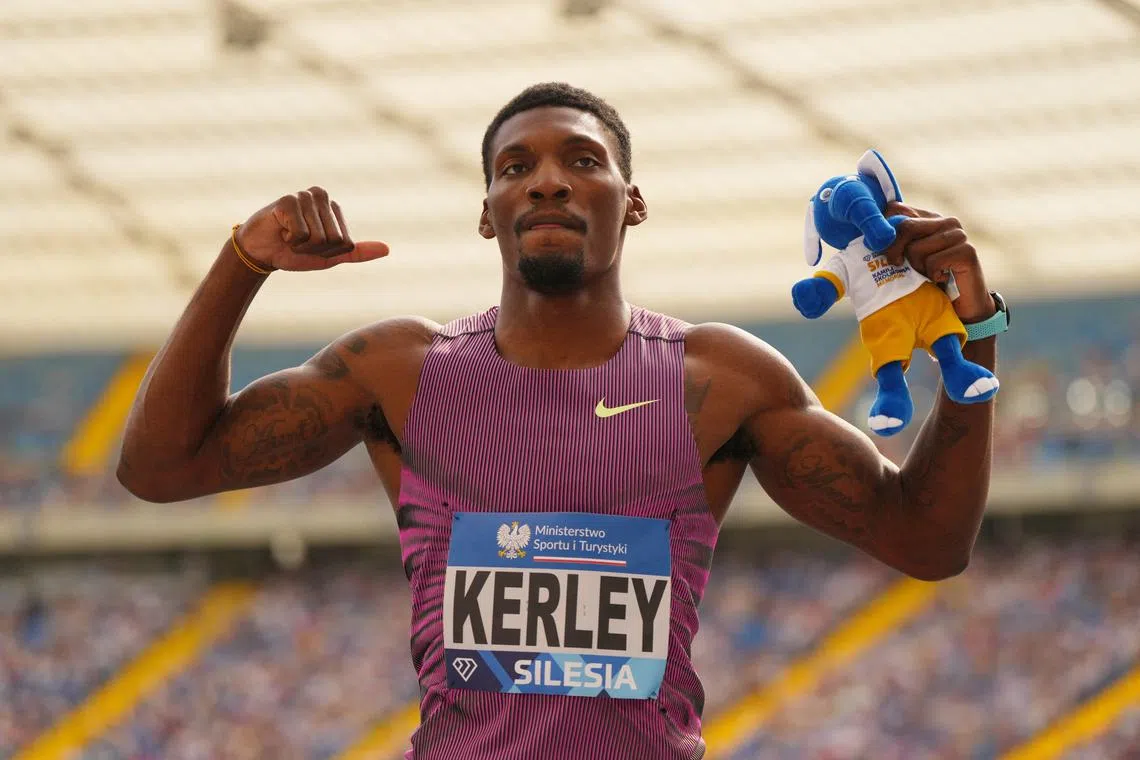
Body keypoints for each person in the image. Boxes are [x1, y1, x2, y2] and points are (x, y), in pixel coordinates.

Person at [118, 82, 1006, 759]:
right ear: (486, 213)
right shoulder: (398, 372)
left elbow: (928, 542)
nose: (546, 180)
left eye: (582, 161)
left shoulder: (721, 379)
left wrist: (974, 339)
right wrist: (244, 262)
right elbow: (160, 468)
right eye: (516, 168)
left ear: (633, 199)